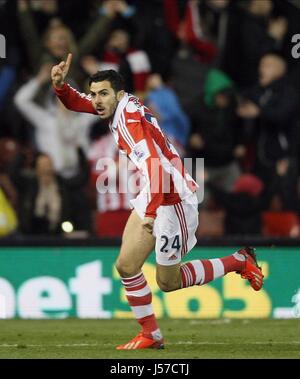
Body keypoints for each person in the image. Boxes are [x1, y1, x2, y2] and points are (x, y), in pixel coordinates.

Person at [51, 53, 264, 350]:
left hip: (172, 197)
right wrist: (61, 87)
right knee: (126, 265)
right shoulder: (119, 106)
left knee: (169, 281)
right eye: (94, 94)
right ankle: (151, 334)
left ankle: (239, 261)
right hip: (154, 191)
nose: (96, 100)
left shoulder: (128, 121)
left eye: (103, 94)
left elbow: (154, 166)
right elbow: (78, 103)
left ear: (119, 94)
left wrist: (150, 213)